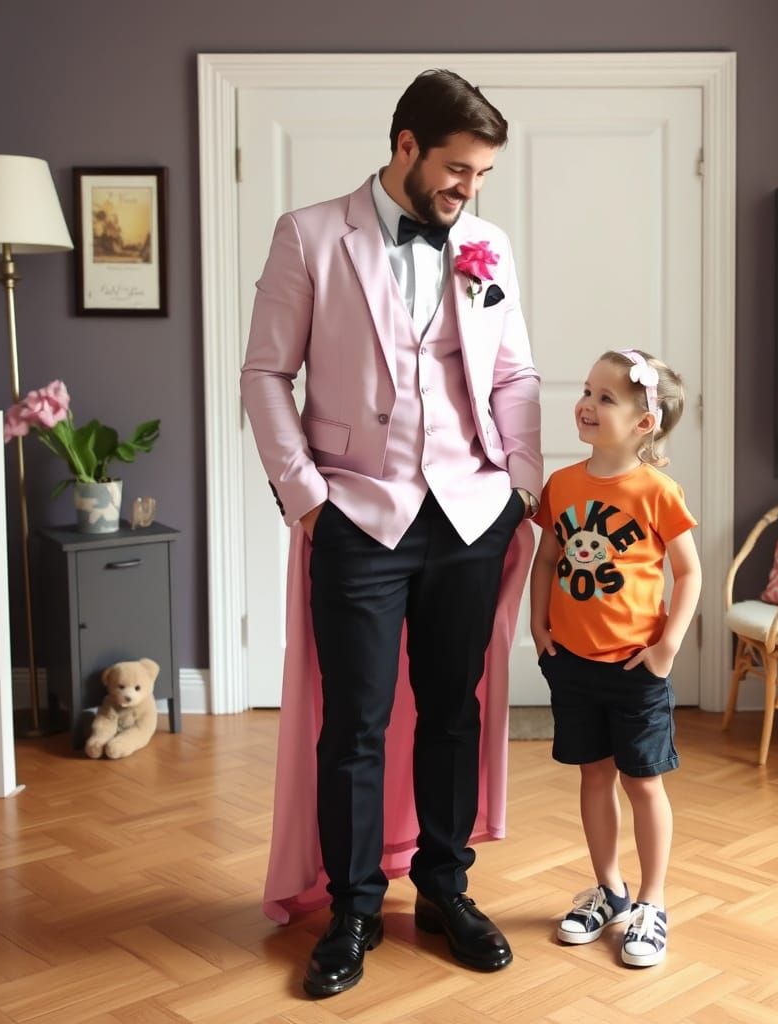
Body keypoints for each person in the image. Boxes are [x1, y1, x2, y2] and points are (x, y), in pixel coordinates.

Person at [240, 69, 541, 997]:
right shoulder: (309, 234)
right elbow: (264, 376)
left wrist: (520, 486)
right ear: (405, 145)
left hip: (469, 515)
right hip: (359, 515)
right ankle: (355, 907)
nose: (469, 191)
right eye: (457, 171)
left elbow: (517, 376)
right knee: (357, 724)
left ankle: (446, 888)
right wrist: (305, 496)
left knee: (453, 710)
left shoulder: (486, 243)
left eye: (483, 174)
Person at [529, 349, 701, 969]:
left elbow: (689, 572)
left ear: (643, 423)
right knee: (593, 775)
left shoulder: (657, 491)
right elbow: (547, 559)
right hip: (573, 663)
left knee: (642, 781)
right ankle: (609, 891)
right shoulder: (563, 485)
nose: (587, 403)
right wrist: (538, 622)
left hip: (636, 669)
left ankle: (652, 903)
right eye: (587, 391)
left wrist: (666, 648)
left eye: (606, 397)